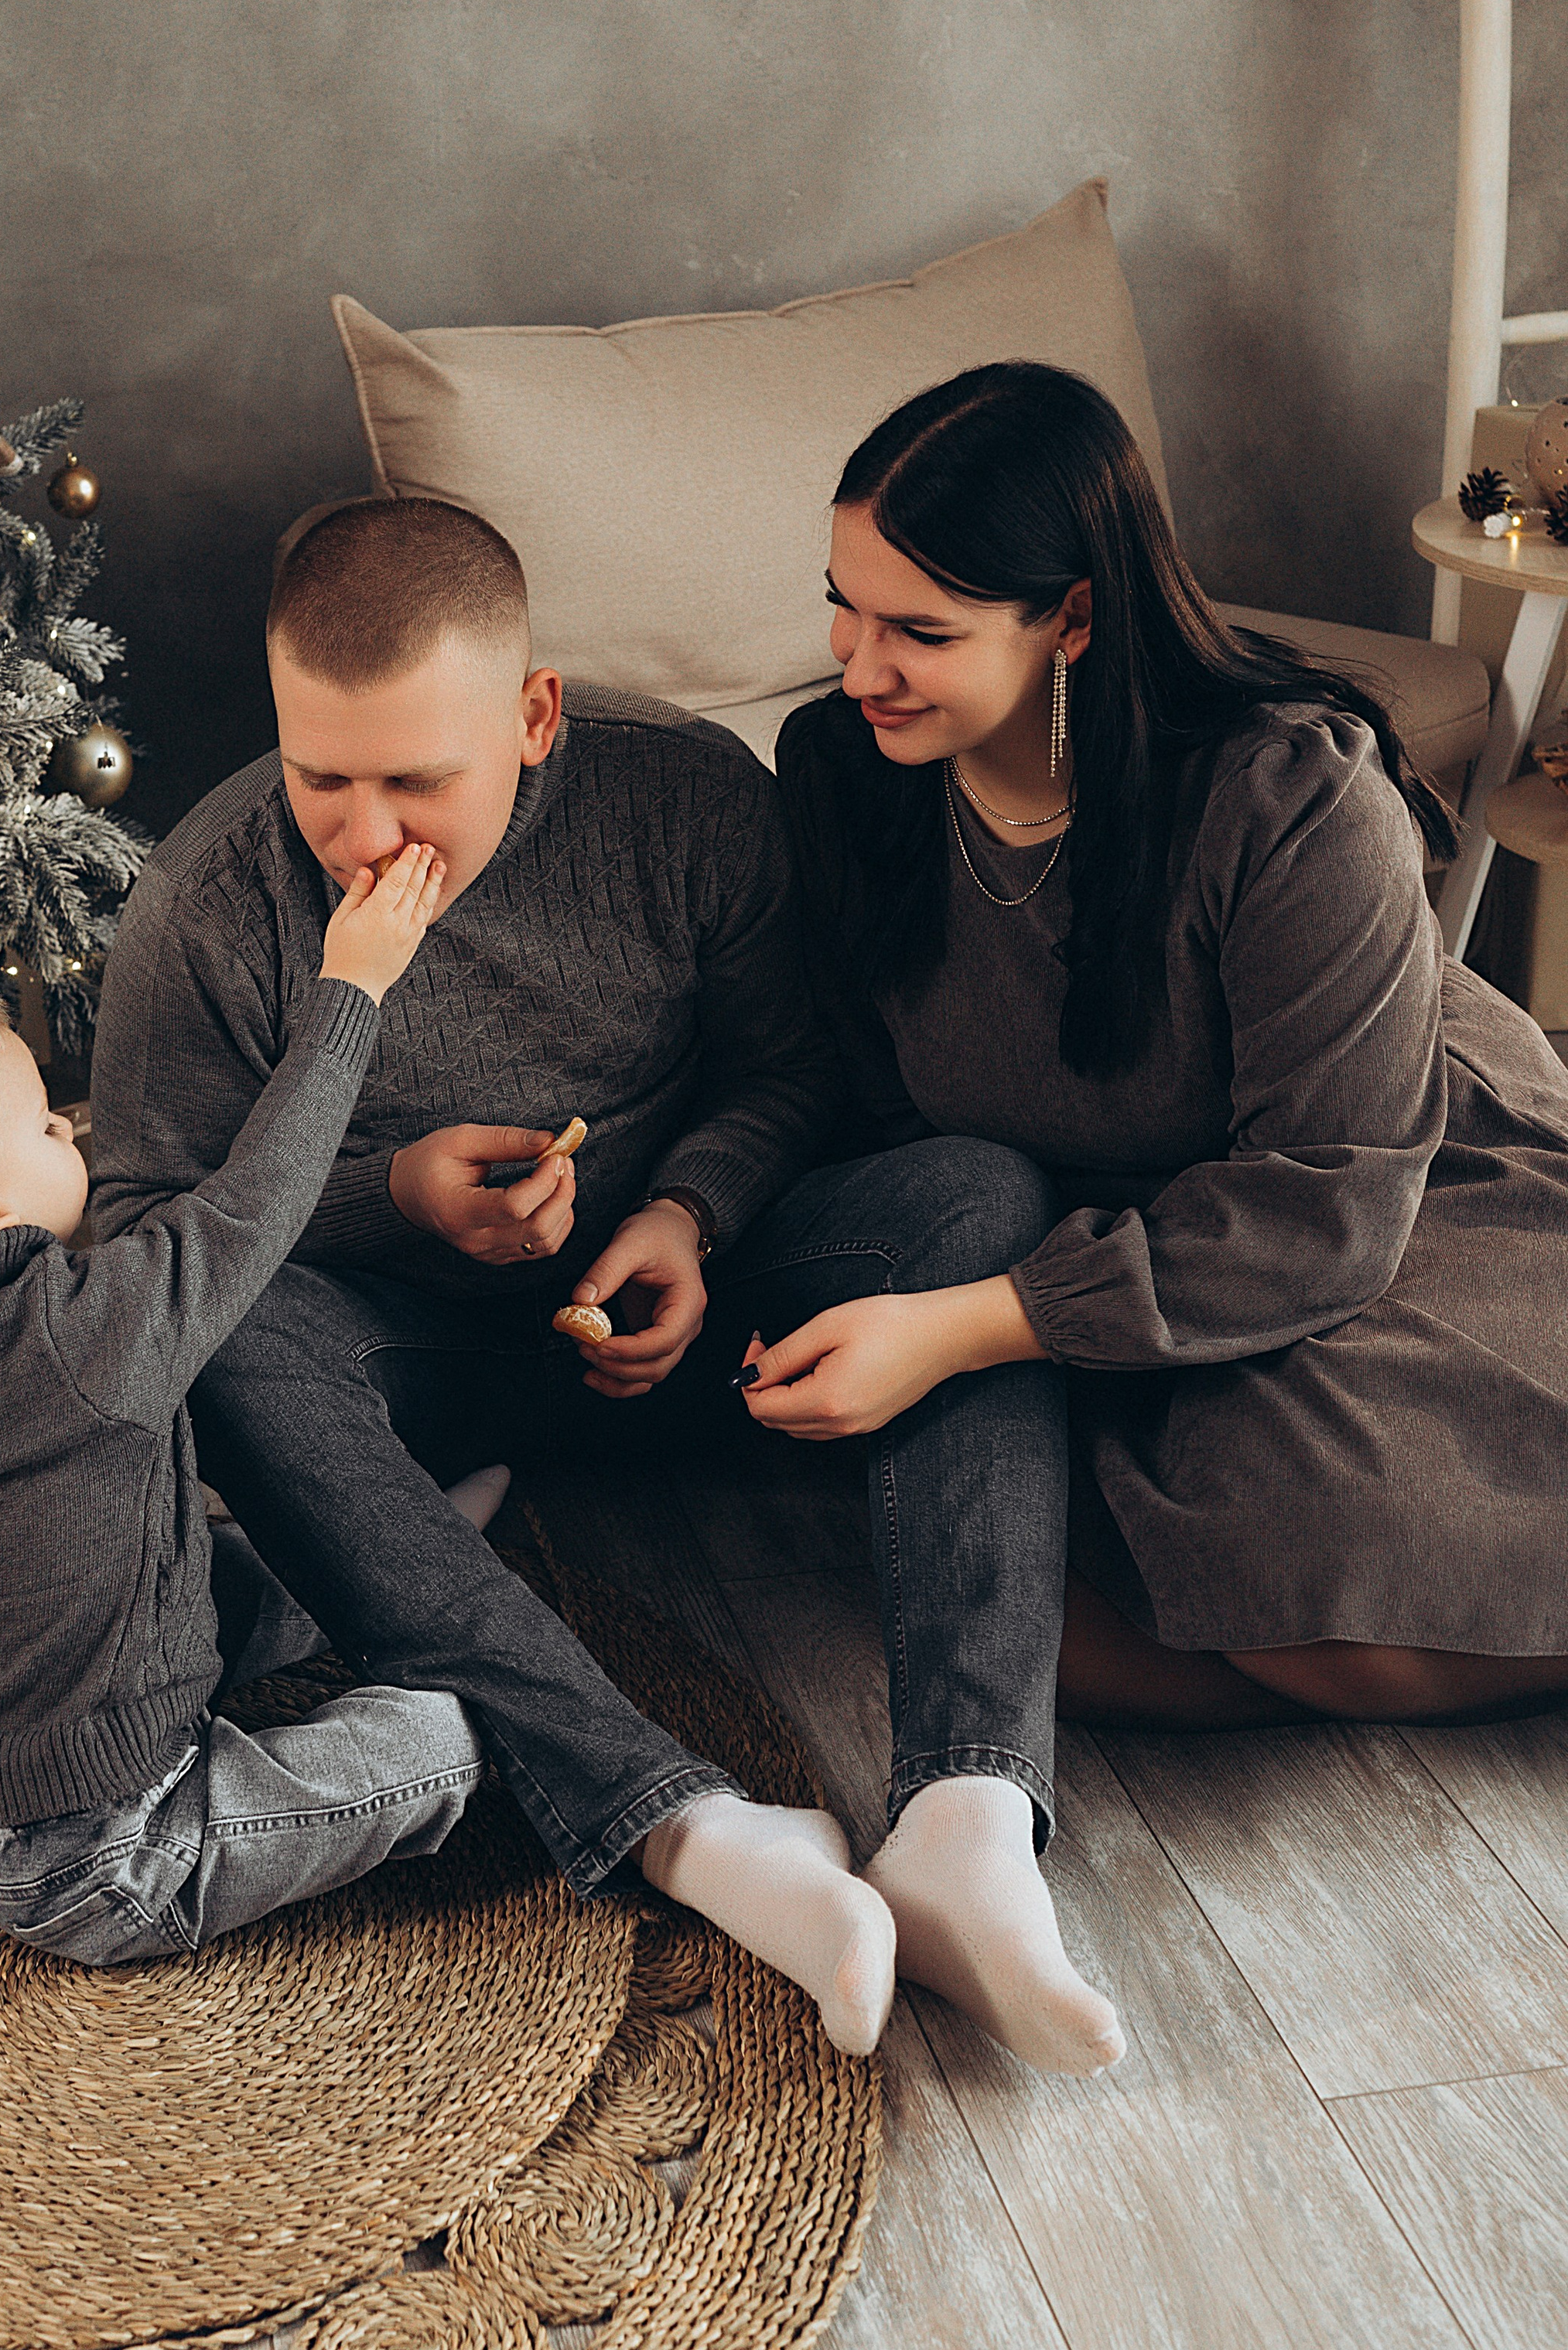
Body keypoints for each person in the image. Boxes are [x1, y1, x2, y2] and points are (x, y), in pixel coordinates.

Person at [91, 493, 1119, 2075]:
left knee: (975, 1197)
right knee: (226, 1344)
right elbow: (140, 1225)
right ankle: (688, 1825)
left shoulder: (681, 802)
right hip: (410, 1372)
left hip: (698, 1333)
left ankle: (966, 1812)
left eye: (419, 779)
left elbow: (794, 1070)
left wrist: (691, 1215)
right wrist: (388, 1194)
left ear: (532, 712)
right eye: (323, 777)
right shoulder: (210, 903)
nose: (365, 836)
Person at [764, 357, 1568, 1748]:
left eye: (922, 631)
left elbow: (1329, 1196)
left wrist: (967, 1324)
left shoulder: (1293, 796)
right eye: (842, 607)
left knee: (1289, 1543)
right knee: (1052, 1616)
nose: (860, 668)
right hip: (1104, 1239)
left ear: (1073, 619)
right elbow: (872, 1107)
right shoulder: (844, 773)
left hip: (1391, 1194)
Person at [0, 843, 506, 1966]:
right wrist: (355, 990)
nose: (72, 1130)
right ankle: (388, 1667)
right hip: (109, 1850)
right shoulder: (92, 1326)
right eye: (48, 1123)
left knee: (216, 1562)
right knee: (449, 1738)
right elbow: (256, 1203)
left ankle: (414, 1552)